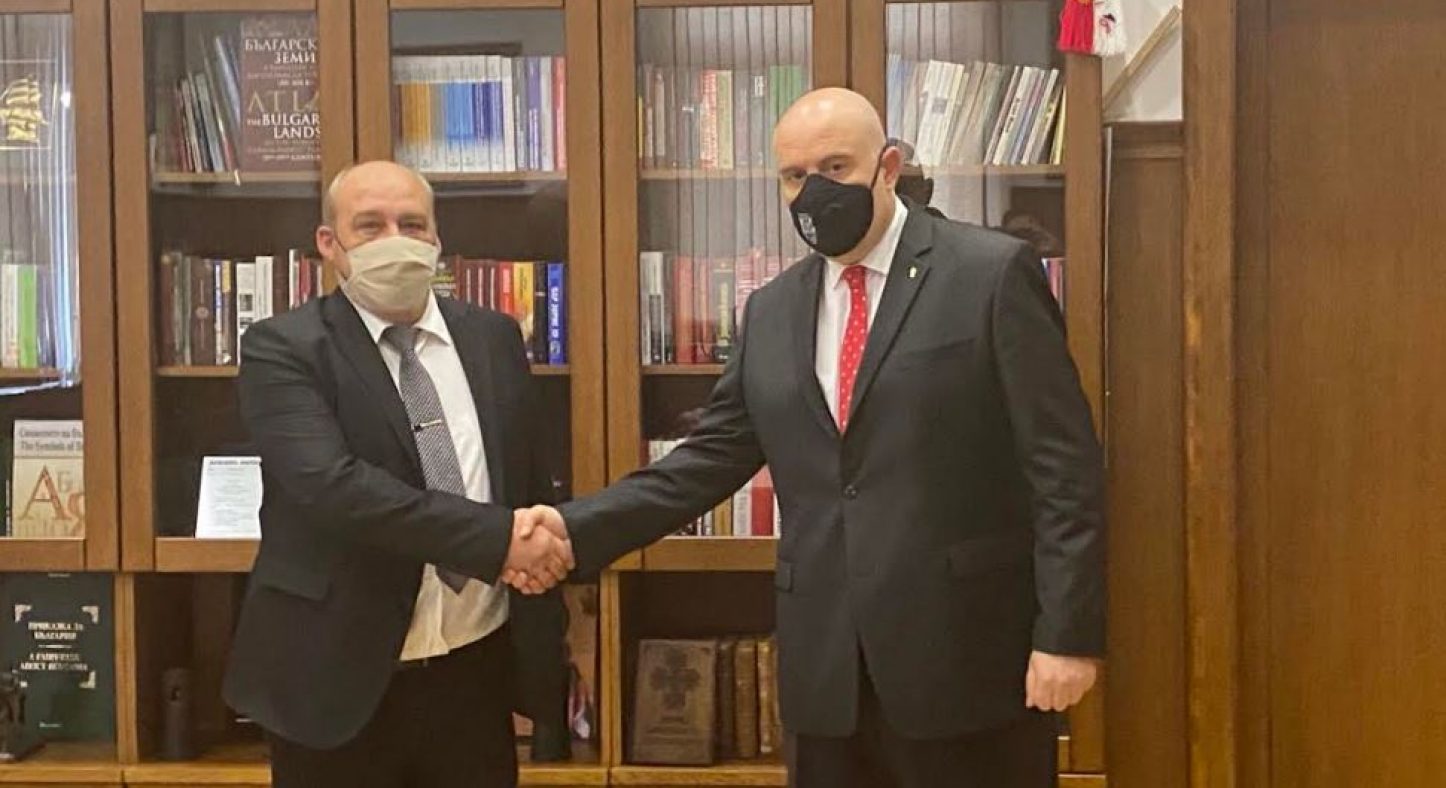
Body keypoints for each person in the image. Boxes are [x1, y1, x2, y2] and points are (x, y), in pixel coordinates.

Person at [511, 88, 1106, 788]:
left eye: (835, 167)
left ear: (888, 167)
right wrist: (573, 527)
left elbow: (1063, 469)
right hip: (826, 677)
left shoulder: (989, 274)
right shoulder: (772, 309)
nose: (813, 190)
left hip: (966, 662)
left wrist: (1067, 636)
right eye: (795, 176)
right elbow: (707, 460)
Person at [223, 160, 578, 788]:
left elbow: (524, 480)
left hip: (473, 675)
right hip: (336, 680)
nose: (396, 240)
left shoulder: (494, 338)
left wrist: (541, 562)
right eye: (370, 226)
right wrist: (499, 541)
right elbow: (334, 487)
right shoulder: (283, 348)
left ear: (437, 238)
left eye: (412, 225)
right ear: (329, 244)